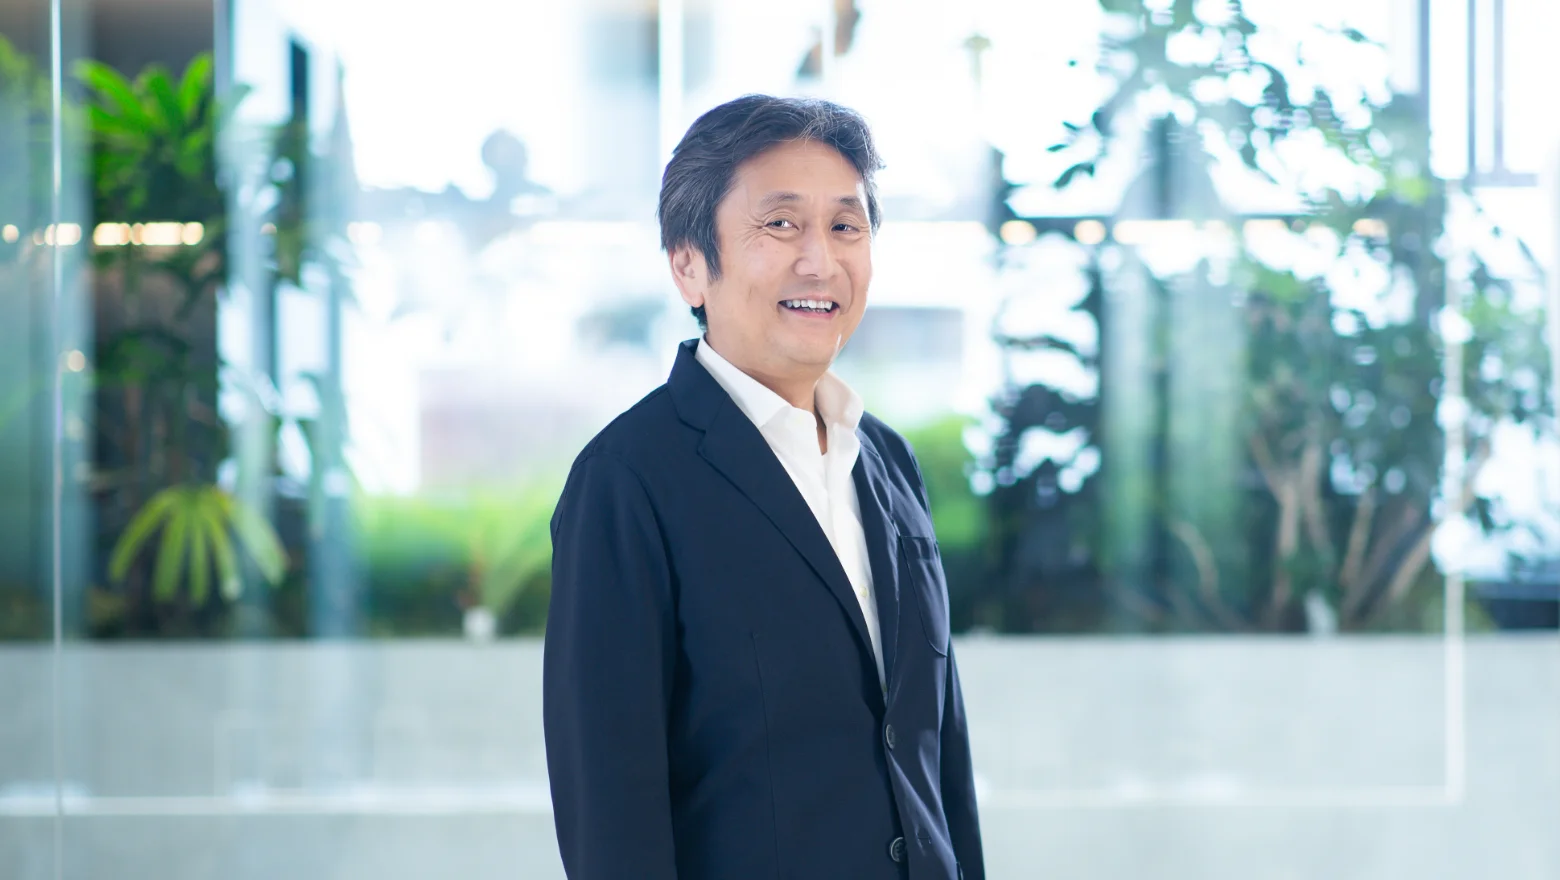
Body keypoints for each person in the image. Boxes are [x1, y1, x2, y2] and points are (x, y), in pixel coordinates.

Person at [543, 94, 984, 880]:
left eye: (845, 226)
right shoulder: (628, 480)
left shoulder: (886, 461)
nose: (820, 260)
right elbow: (611, 809)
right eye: (780, 225)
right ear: (688, 264)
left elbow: (938, 757)